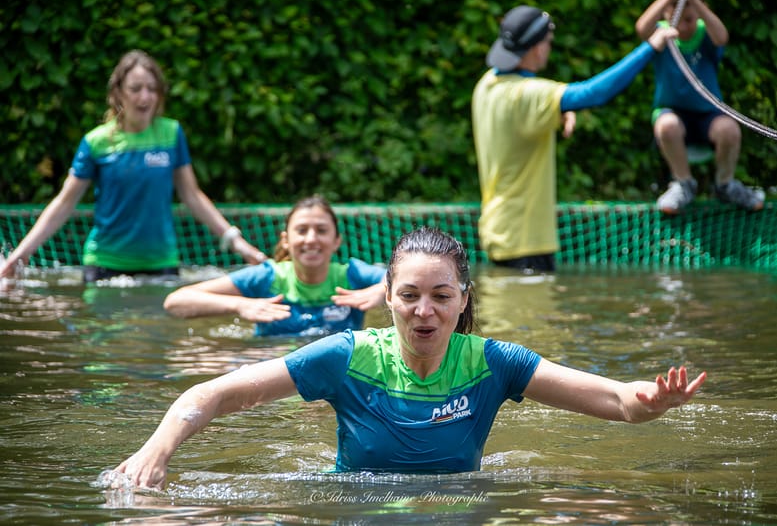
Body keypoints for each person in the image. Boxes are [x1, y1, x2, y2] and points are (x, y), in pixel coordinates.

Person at [113, 226, 706, 489]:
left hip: (461, 508)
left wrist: (651, 401)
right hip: (354, 504)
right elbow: (211, 393)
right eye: (411, 296)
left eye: (441, 297)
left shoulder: (494, 362)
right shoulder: (345, 356)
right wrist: (152, 453)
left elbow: (617, 401)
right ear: (388, 300)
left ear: (463, 301)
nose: (425, 312)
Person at [0, 49, 266, 283]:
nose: (145, 96)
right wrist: (19, 256)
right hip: (104, 266)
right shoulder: (97, 142)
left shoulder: (171, 134)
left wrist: (239, 244)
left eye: (152, 88)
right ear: (117, 93)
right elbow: (64, 203)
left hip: (161, 263)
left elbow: (192, 196)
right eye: (136, 88)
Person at [472, 5, 678, 273]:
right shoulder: (526, 95)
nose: (549, 48)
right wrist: (650, 47)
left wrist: (560, 111)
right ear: (536, 48)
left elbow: (519, 118)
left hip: (497, 230)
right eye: (548, 43)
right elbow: (594, 93)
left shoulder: (486, 85)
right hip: (527, 239)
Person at [162, 195, 387, 337]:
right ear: (286, 240)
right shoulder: (267, 277)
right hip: (273, 365)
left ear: (337, 241)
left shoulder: (352, 275)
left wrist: (384, 289)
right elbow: (175, 301)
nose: (310, 239)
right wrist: (240, 305)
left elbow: (413, 277)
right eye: (301, 230)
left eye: (321, 230)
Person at [636, 0, 764, 214]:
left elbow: (722, 37)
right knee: (667, 125)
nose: (684, 27)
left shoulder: (706, 32)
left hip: (708, 116)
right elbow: (641, 28)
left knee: (730, 129)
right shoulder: (661, 34)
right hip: (673, 114)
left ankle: (726, 185)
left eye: (689, 20)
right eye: (679, 19)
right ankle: (683, 184)